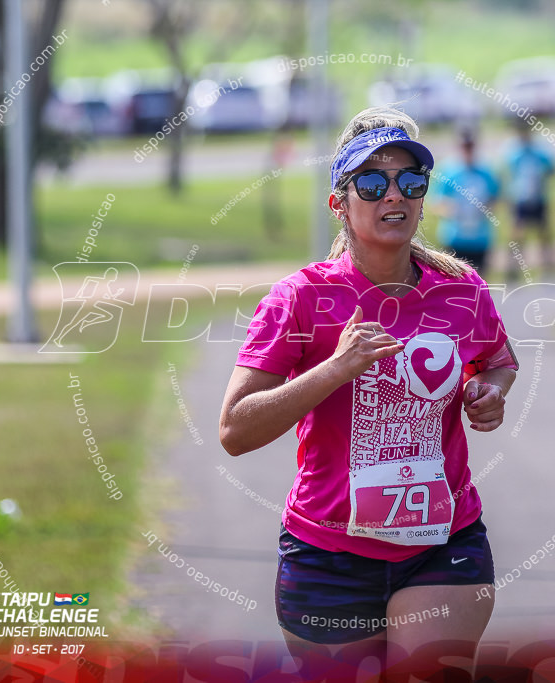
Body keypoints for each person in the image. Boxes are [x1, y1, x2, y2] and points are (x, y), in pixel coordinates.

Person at [219, 106, 518, 678]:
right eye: (372, 183)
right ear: (340, 202)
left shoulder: (460, 289)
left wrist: (488, 390)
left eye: (410, 181)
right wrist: (335, 369)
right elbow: (235, 429)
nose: (394, 195)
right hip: (327, 556)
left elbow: (497, 361)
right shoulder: (300, 299)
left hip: (444, 545)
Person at [433, 130, 501, 275]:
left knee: (480, 284)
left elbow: (495, 197)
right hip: (455, 238)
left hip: (480, 238)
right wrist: (454, 211)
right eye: (464, 146)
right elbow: (437, 202)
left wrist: (483, 210)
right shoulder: (448, 171)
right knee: (453, 286)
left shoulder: (486, 171)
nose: (467, 150)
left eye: (470, 146)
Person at [504, 122, 555, 280]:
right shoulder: (514, 152)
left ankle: (548, 270)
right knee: (517, 236)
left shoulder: (539, 151)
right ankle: (513, 270)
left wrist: (543, 181)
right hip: (520, 199)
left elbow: (553, 169)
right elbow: (507, 173)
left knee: (544, 236)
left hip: (538, 198)